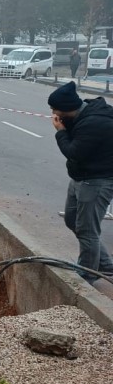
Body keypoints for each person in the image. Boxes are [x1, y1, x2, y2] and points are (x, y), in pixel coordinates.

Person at [48, 81, 113, 283]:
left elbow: (73, 152)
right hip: (81, 177)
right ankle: (104, 264)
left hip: (96, 182)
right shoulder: (80, 116)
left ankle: (87, 274)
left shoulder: (93, 123)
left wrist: (60, 131)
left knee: (87, 230)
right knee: (72, 220)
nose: (53, 113)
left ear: (67, 108)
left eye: (55, 109)